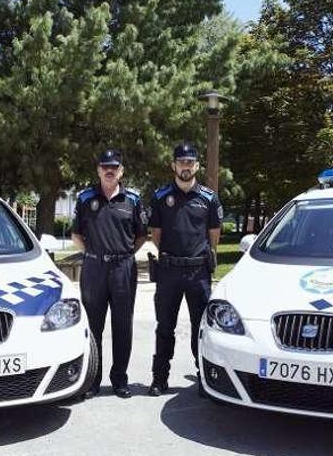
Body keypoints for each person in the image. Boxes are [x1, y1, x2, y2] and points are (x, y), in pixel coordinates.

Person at [147, 143, 222, 396]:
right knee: (164, 327)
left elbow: (214, 235)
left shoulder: (209, 198)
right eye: (182, 162)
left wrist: (198, 257)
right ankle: (159, 379)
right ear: (174, 165)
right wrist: (173, 255)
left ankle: (204, 378)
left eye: (190, 162)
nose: (186, 166)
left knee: (200, 328)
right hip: (168, 271)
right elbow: (156, 235)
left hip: (198, 273)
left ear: (197, 166)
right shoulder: (160, 197)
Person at [72, 149, 146, 398]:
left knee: (122, 325)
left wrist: (122, 255)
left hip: (123, 268)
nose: (109, 170)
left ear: (121, 171)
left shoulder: (133, 200)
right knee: (93, 326)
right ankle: (92, 381)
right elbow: (76, 236)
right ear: (98, 170)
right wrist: (94, 254)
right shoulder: (85, 199)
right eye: (105, 166)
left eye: (114, 166)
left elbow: (140, 236)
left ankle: (120, 380)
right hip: (94, 268)